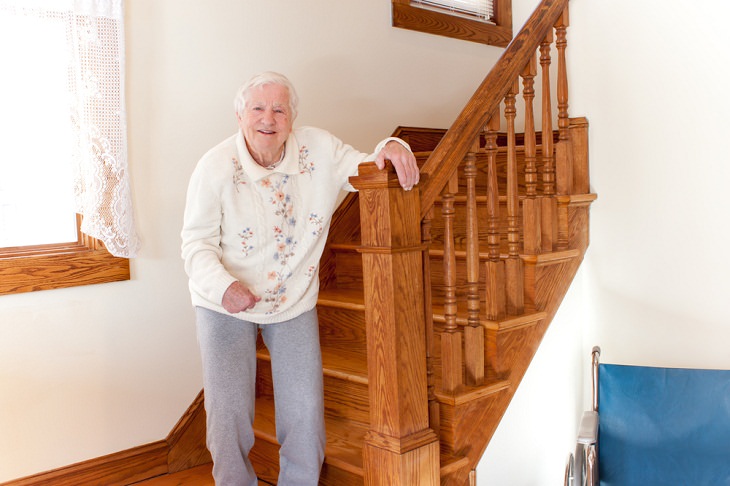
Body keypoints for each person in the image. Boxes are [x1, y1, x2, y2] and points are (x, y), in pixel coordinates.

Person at [181, 71, 419, 486]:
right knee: (229, 413)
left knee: (304, 410)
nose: (268, 118)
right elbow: (196, 244)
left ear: (292, 118)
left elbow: (368, 163)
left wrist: (392, 144)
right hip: (223, 302)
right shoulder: (214, 167)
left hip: (293, 302)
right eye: (257, 108)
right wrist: (224, 287)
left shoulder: (319, 149)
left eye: (279, 109)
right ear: (239, 115)